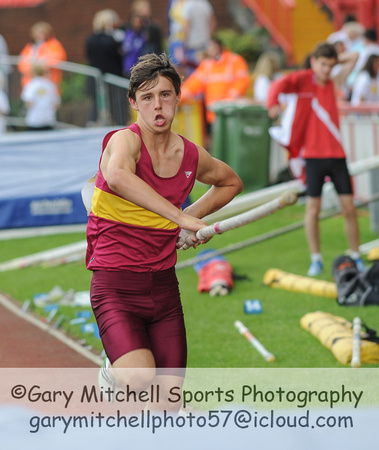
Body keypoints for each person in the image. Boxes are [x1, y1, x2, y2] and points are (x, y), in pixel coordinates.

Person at [86, 53, 243, 409]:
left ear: (177, 98)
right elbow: (117, 177)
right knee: (140, 377)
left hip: (163, 289)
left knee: (169, 403)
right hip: (115, 284)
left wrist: (191, 216)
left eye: (166, 95)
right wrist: (181, 218)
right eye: (147, 97)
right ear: (133, 103)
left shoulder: (190, 154)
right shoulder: (123, 142)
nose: (158, 105)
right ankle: (113, 372)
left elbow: (231, 182)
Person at [267, 42, 365, 277]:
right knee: (313, 209)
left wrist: (331, 60)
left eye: (331, 66)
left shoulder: (333, 82)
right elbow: (278, 85)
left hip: (337, 155)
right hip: (312, 157)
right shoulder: (303, 80)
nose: (327, 70)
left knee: (349, 208)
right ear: (313, 62)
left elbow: (355, 56)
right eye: (323, 65)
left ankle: (355, 255)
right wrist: (272, 104)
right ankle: (316, 259)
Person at [181, 37, 251, 131]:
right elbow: (193, 83)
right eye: (209, 48)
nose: (210, 50)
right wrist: (179, 96)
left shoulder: (234, 61)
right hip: (213, 113)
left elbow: (243, 80)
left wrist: (230, 97)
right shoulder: (207, 65)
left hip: (230, 112)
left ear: (220, 47)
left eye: (213, 47)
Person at [18, 22, 67, 90]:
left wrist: (41, 66)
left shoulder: (53, 45)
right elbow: (22, 63)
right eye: (37, 33)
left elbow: (58, 58)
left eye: (41, 33)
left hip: (49, 81)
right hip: (31, 82)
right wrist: (33, 69)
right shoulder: (30, 47)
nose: (39, 35)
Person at [21, 63, 60, 131]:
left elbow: (29, 102)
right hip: (48, 120)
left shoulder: (31, 85)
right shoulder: (51, 85)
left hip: (34, 120)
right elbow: (57, 104)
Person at [182, 0, 216, 70]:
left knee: (193, 71)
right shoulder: (205, 4)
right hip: (205, 42)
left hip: (192, 43)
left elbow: (187, 26)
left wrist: (184, 42)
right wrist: (208, 37)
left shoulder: (188, 5)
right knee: (206, 69)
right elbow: (213, 23)